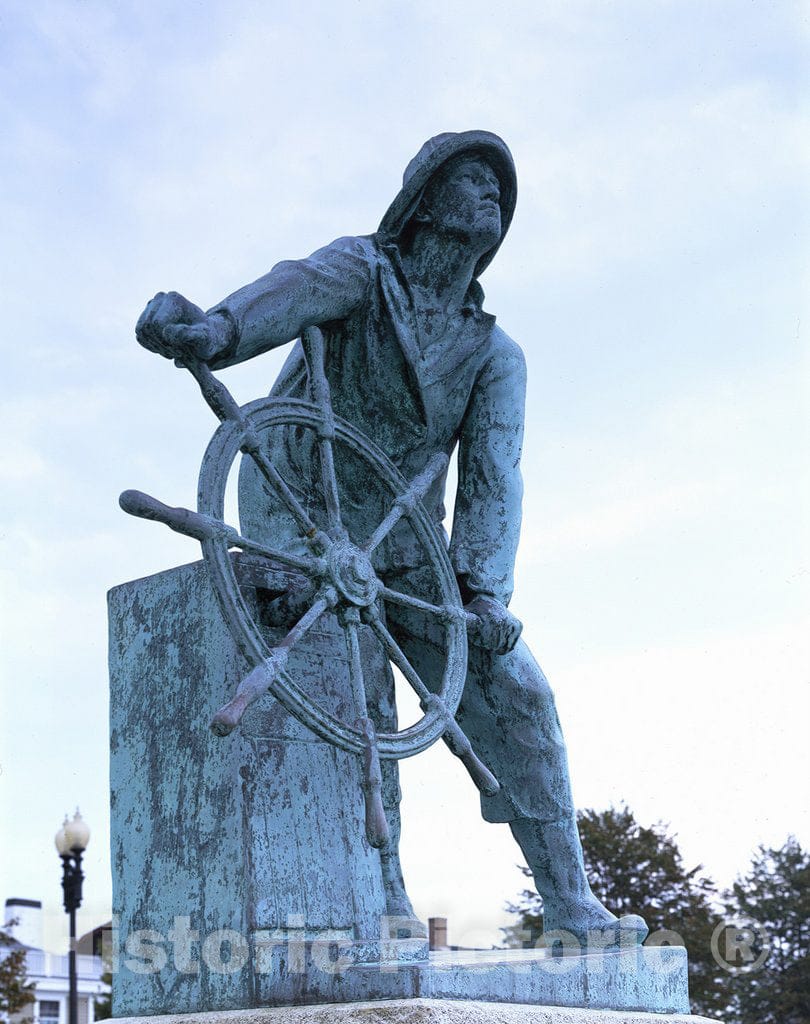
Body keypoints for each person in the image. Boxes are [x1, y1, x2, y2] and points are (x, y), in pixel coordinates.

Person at [136, 131, 648, 949]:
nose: (494, 197)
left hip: (410, 552)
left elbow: (494, 477)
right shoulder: (361, 273)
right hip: (306, 514)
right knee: (356, 696)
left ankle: (571, 903)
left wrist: (483, 594)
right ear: (422, 202)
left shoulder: (494, 355)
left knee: (518, 691)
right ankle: (382, 900)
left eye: (500, 192)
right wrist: (215, 332)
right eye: (473, 180)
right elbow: (290, 292)